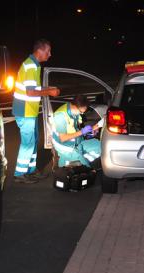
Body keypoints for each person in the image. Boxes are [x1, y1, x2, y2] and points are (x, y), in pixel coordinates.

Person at [12, 39, 60, 183]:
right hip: (25, 110)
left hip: (29, 111)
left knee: (32, 142)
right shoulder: (31, 66)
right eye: (48, 51)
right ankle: (19, 174)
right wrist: (49, 92)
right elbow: (31, 93)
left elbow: (34, 89)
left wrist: (49, 89)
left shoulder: (34, 65)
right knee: (28, 143)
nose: (50, 54)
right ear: (40, 51)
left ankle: (30, 170)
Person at [52, 95, 101, 168]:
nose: (81, 114)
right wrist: (82, 132)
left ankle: (80, 160)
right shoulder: (60, 116)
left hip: (77, 142)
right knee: (85, 164)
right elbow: (63, 138)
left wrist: (91, 130)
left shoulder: (71, 110)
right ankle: (69, 162)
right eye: (81, 112)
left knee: (99, 145)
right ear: (75, 106)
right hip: (67, 148)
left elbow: (76, 128)